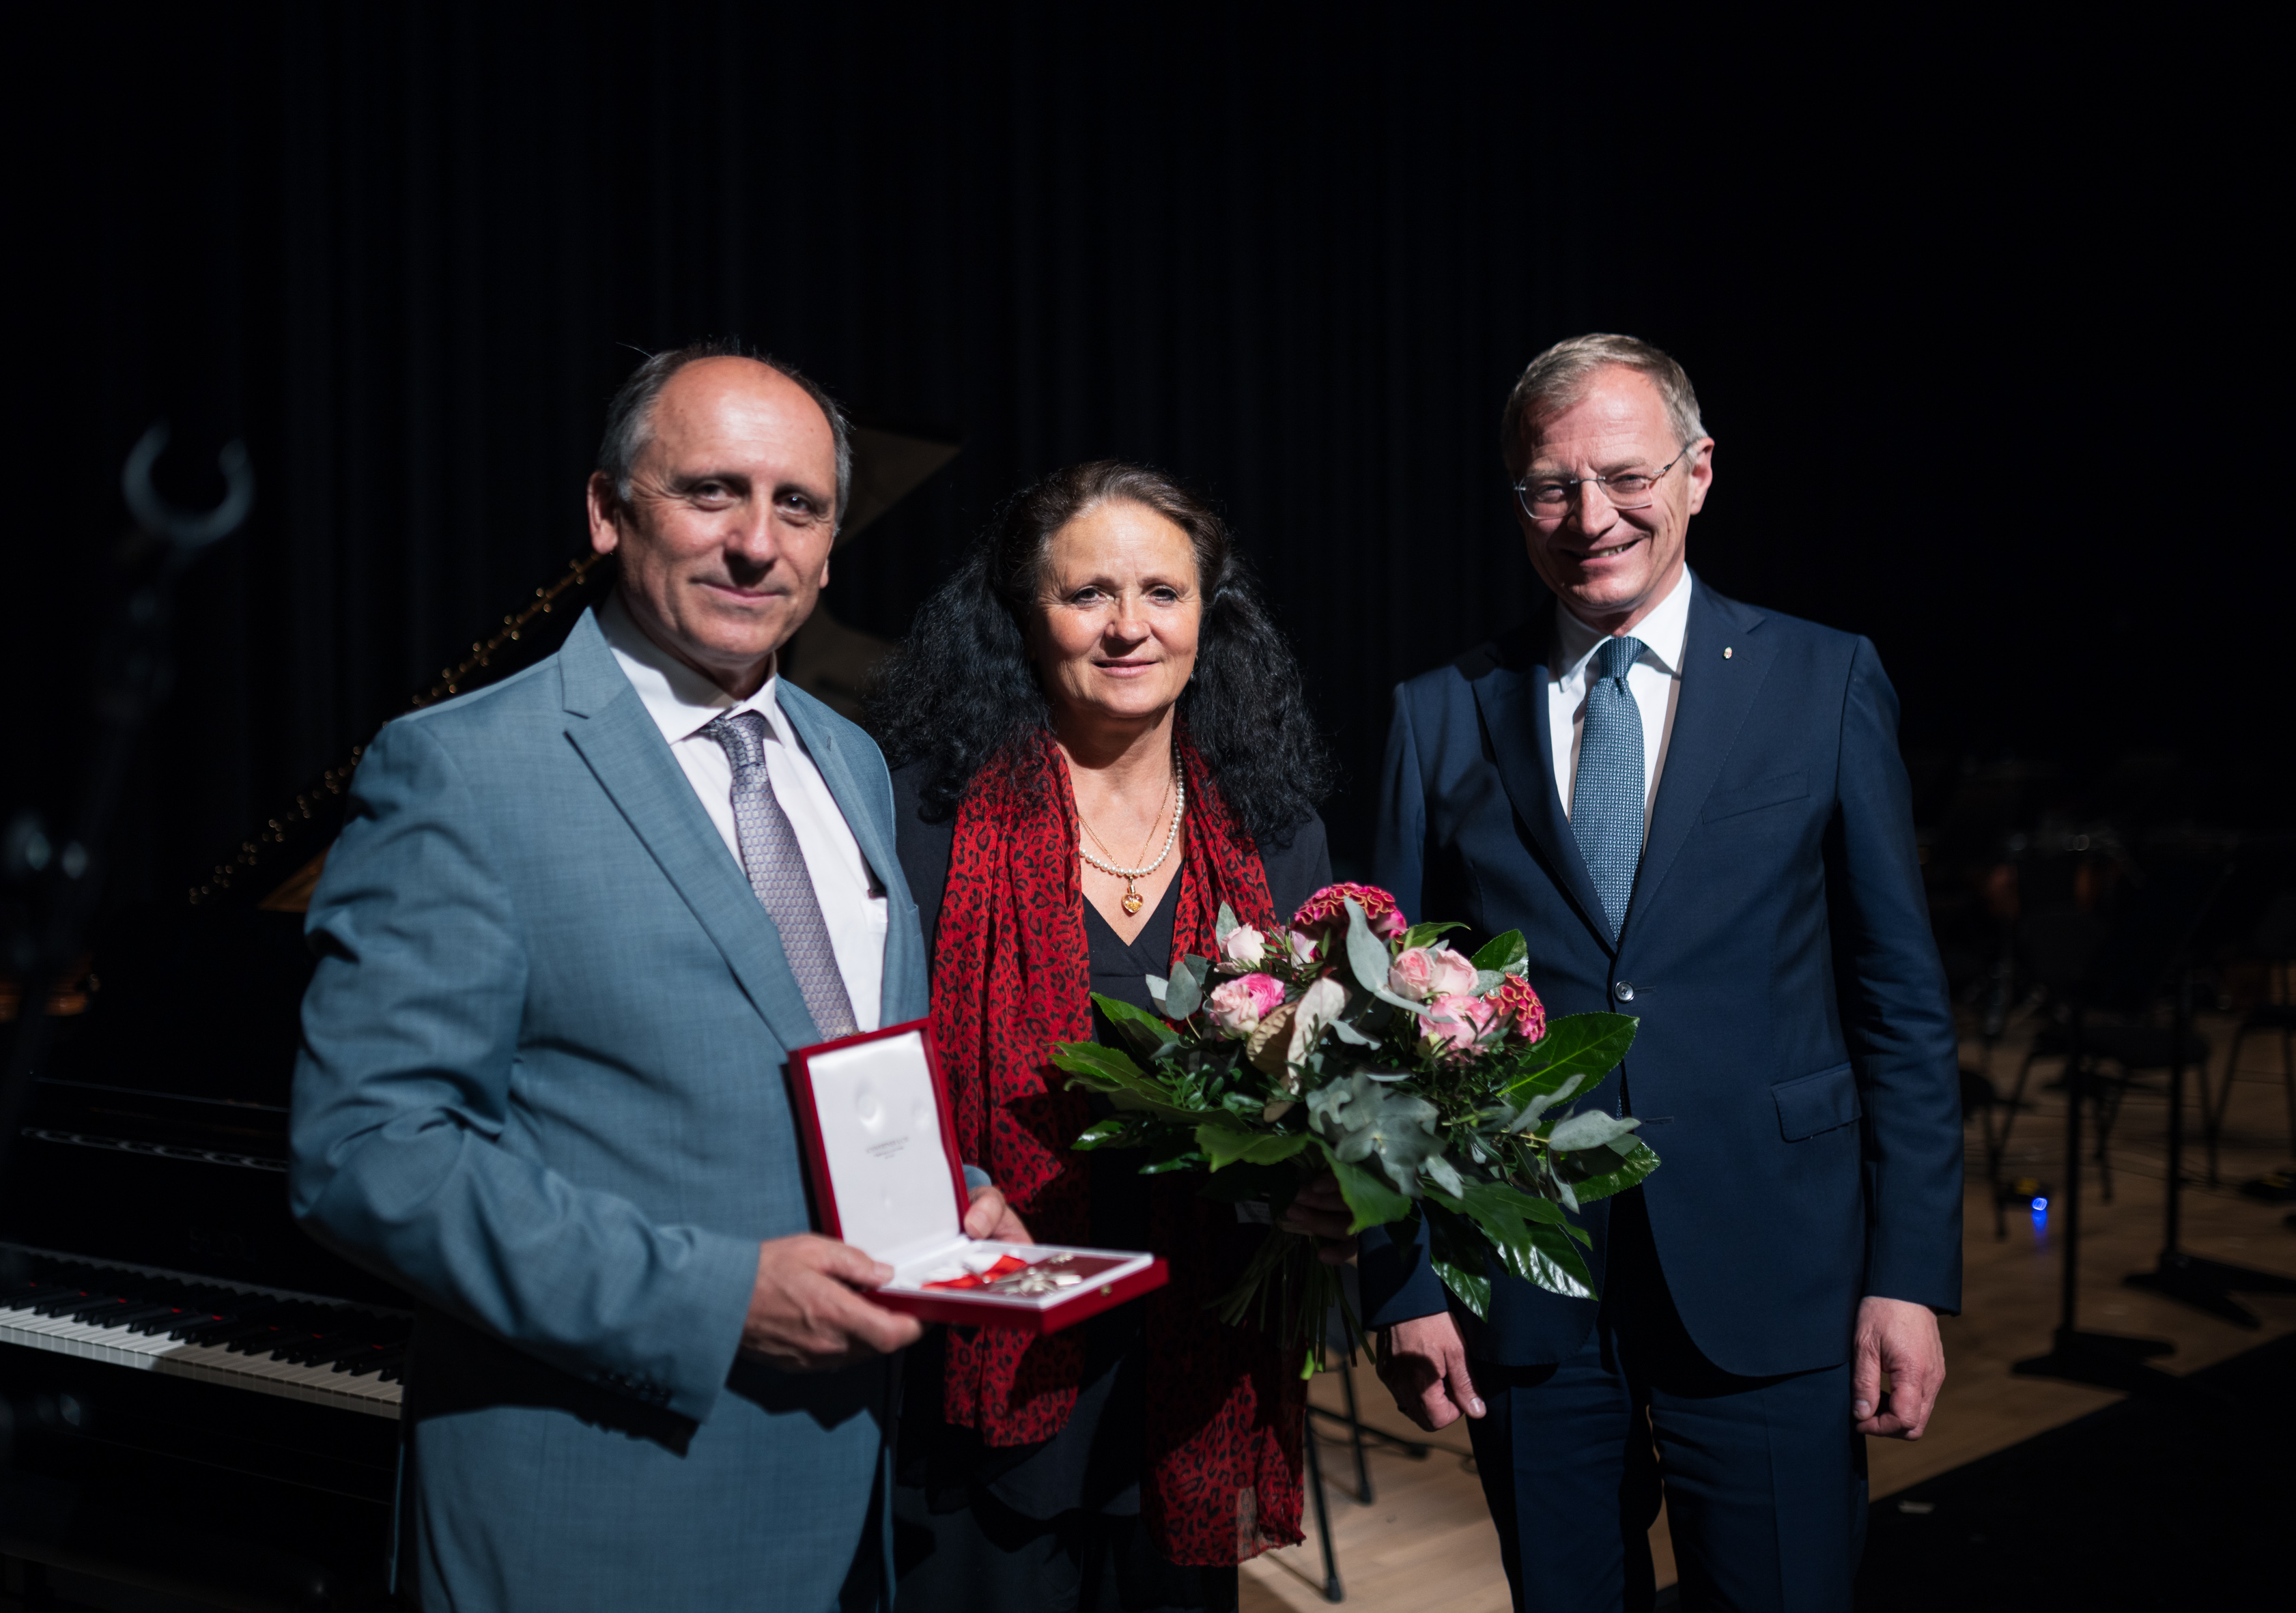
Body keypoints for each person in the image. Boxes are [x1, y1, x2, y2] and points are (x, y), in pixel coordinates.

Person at [289, 343, 1023, 1611]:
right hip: (597, 1508)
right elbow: (369, 1154)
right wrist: (714, 1299)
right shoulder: (462, 771)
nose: (756, 543)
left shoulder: (850, 760)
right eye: (711, 491)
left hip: (848, 1495)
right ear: (606, 510)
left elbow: (818, 1055)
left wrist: (940, 1195)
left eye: (798, 506)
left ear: (832, 548)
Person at [1363, 334, 1962, 1612]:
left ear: (1698, 473)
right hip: (1528, 1292)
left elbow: (1900, 1005)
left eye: (1626, 476)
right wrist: (1402, 1277)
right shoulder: (1440, 711)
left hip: (1777, 1275)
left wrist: (1909, 1273)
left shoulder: (1824, 679)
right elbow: (1383, 1036)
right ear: (1517, 500)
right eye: (1551, 486)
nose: (1592, 518)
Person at [868, 461, 1342, 1612]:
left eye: (1163, 593)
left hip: (1194, 1370)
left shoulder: (1276, 832)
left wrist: (1330, 1186)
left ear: (1208, 615)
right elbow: (870, 1073)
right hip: (981, 1365)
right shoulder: (922, 817)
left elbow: (1320, 1088)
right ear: (1026, 618)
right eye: (1089, 594)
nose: (1130, 627)